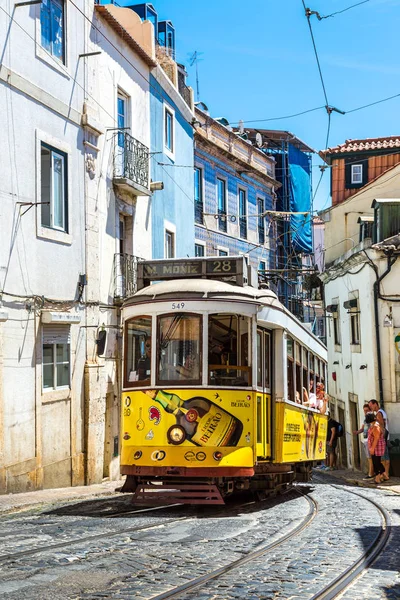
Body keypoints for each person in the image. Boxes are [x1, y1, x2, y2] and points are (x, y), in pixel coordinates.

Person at [369, 399, 390, 480]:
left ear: (375, 404)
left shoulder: (379, 414)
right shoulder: (382, 412)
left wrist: (379, 436)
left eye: (371, 405)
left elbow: (381, 426)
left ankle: (383, 475)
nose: (370, 407)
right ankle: (383, 475)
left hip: (382, 439)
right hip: (384, 437)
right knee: (382, 458)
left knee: (382, 458)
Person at [353, 403, 374, 479]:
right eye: (364, 411)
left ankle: (370, 474)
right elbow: (363, 428)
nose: (365, 412)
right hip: (365, 440)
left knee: (370, 458)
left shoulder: (371, 418)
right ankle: (370, 472)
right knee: (369, 458)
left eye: (367, 410)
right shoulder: (365, 419)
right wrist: (357, 432)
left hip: (369, 440)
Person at [366, 411, 386, 484]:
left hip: (377, 447)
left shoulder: (375, 426)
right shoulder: (373, 425)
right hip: (375, 447)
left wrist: (372, 448)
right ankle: (384, 475)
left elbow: (376, 438)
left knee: (376, 462)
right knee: (376, 462)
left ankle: (378, 478)